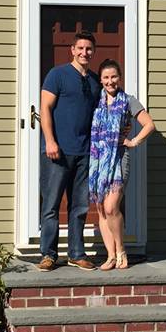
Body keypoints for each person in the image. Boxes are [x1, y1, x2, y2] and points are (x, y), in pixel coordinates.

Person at [38, 31, 101, 272]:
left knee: (79, 207)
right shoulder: (57, 75)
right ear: (72, 50)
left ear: (93, 52)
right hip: (57, 151)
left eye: (89, 49)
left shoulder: (95, 81)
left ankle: (76, 253)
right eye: (80, 48)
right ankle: (49, 254)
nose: (85, 52)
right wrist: (50, 141)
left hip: (85, 153)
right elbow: (45, 107)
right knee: (51, 205)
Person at [89, 58, 156, 270]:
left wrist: (133, 141)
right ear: (101, 80)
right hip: (98, 160)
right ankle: (110, 256)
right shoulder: (95, 101)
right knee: (101, 208)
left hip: (119, 158)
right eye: (106, 77)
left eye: (114, 77)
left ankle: (121, 250)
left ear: (120, 78)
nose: (110, 81)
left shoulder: (128, 101)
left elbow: (149, 125)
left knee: (111, 207)